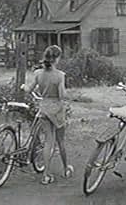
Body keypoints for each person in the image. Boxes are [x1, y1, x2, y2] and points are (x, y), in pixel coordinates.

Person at [21, 45, 74, 185]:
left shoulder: (38, 73)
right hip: (57, 110)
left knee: (48, 142)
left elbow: (28, 89)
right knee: (60, 141)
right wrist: (69, 95)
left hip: (43, 109)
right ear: (57, 58)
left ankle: (46, 175)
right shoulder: (60, 75)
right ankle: (65, 168)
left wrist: (23, 87)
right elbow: (62, 95)